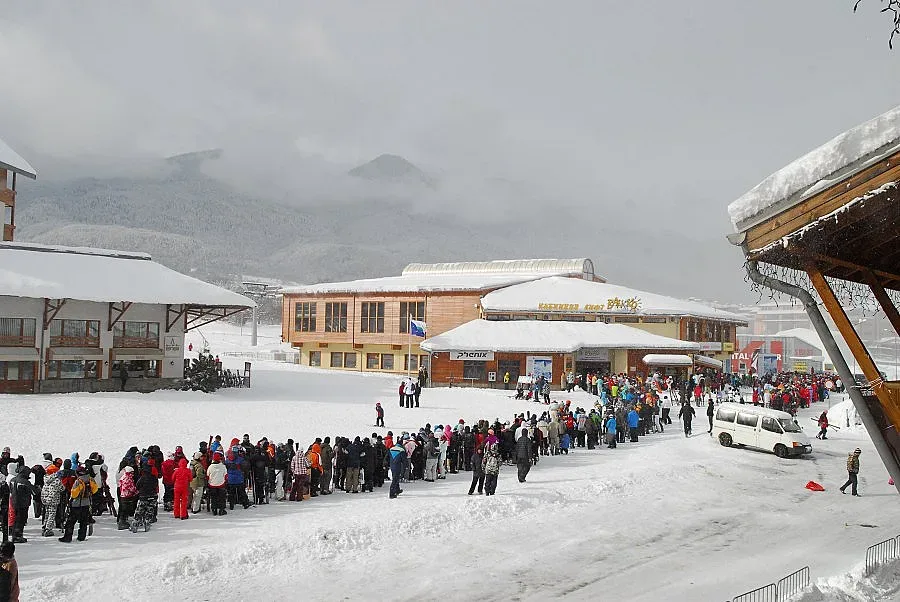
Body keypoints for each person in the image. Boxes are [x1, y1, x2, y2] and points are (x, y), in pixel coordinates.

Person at [60, 467, 97, 542]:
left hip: (77, 504)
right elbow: (95, 489)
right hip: (86, 503)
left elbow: (74, 494)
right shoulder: (90, 479)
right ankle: (81, 537)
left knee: (71, 522)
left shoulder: (78, 481)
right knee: (84, 521)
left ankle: (67, 537)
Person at [8, 468, 36, 544]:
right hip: (23, 504)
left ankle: (14, 535)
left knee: (16, 519)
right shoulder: (26, 482)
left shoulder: (12, 480)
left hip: (14, 502)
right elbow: (34, 492)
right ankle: (18, 536)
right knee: (21, 520)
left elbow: (10, 490)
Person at [482, 431, 501, 496]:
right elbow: (500, 462)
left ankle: (487, 491)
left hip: (488, 469)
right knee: (494, 482)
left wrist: (483, 467)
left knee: (487, 481)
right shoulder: (498, 454)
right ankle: (492, 491)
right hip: (495, 470)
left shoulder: (488, 453)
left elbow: (484, 460)